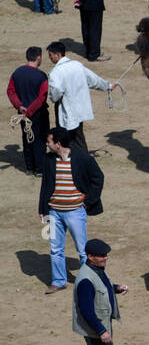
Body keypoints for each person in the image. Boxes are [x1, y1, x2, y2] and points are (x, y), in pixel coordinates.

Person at [39, 126, 103, 294]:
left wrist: (88, 201)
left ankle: (85, 282)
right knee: (55, 249)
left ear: (58, 144)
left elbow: (98, 177)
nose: (47, 143)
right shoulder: (48, 159)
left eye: (49, 141)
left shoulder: (82, 158)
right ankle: (59, 281)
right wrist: (42, 209)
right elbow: (45, 185)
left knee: (82, 250)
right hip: (54, 211)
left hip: (75, 211)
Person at [73, 239, 127, 345]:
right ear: (90, 257)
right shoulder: (85, 280)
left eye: (106, 255)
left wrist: (116, 288)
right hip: (95, 326)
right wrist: (101, 330)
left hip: (102, 322)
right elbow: (87, 311)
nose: (105, 258)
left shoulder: (97, 269)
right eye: (101, 256)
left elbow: (104, 286)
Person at [46, 42, 115, 150]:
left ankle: (75, 161)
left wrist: (52, 98)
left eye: (50, 55)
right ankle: (82, 159)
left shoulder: (56, 72)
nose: (50, 58)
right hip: (79, 108)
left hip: (66, 109)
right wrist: (108, 86)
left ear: (58, 55)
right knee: (77, 136)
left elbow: (56, 91)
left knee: (66, 138)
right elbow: (94, 80)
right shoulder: (77, 65)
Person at [9, 46, 49, 176]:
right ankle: (40, 168)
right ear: (38, 58)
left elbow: (10, 91)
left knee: (27, 139)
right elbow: (41, 97)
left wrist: (20, 106)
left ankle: (29, 167)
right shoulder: (41, 76)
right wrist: (30, 111)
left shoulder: (17, 73)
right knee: (39, 139)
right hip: (37, 113)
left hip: (22, 113)